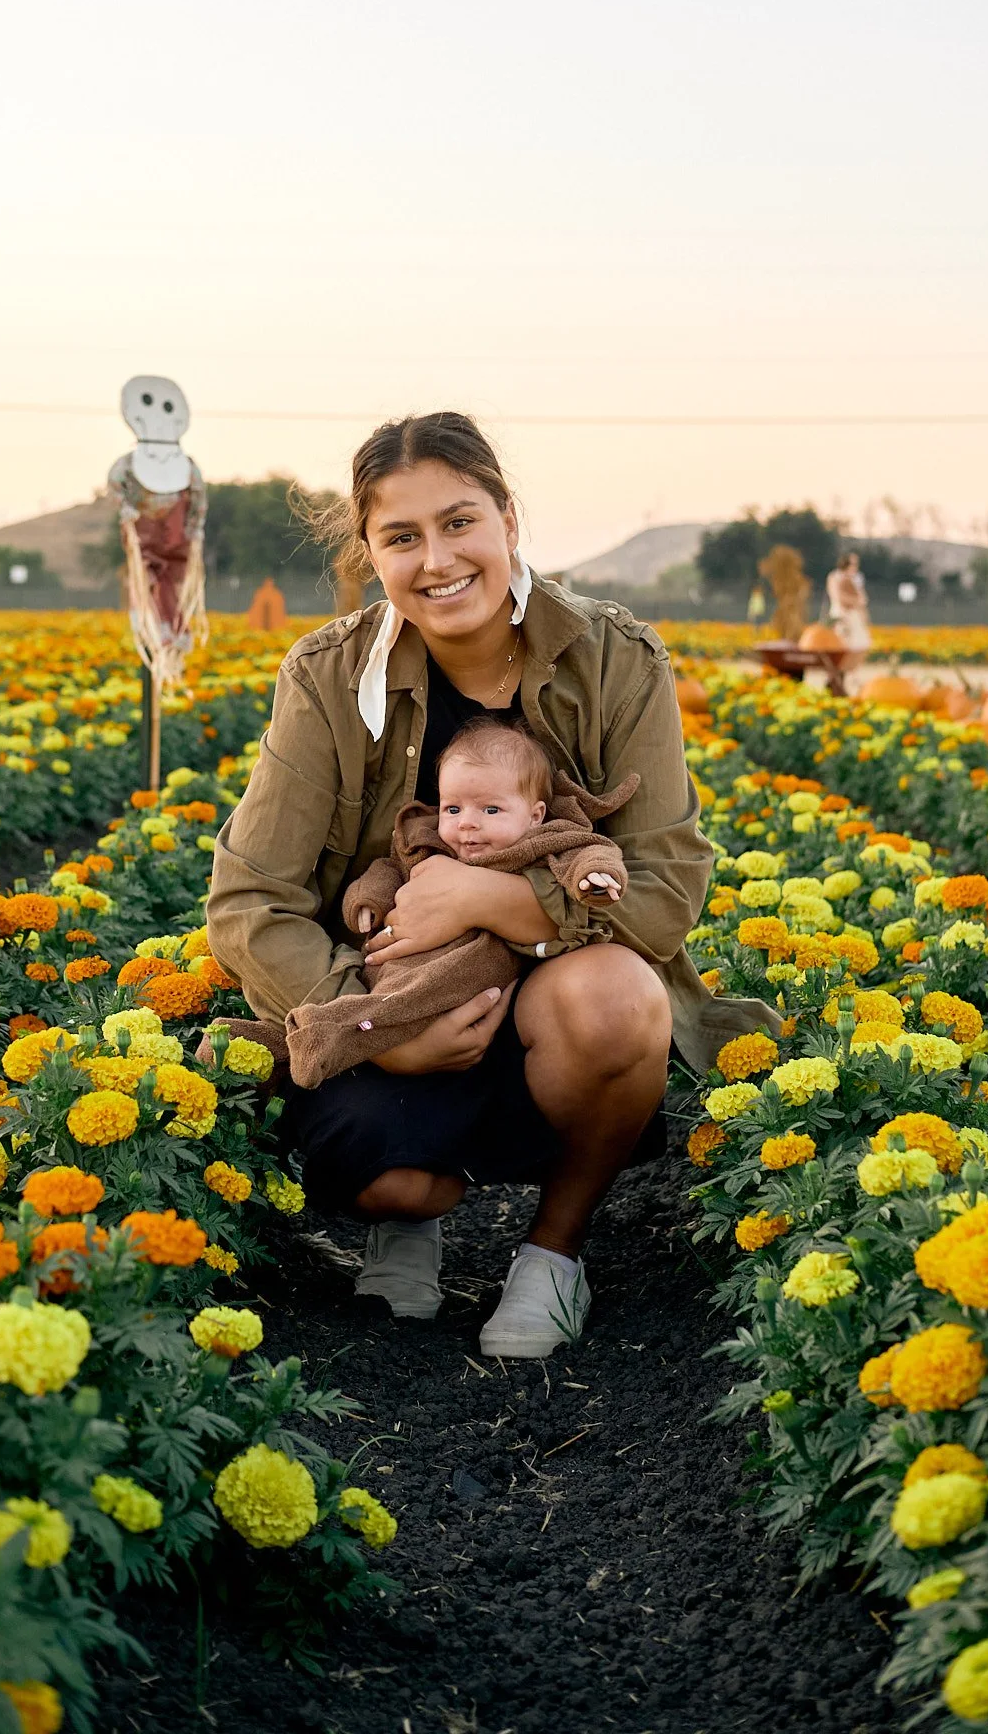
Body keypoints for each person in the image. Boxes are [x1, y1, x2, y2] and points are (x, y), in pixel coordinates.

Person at [205, 413, 778, 1359]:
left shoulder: (615, 657)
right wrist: (376, 1027)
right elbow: (247, 901)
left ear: (507, 519)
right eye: (401, 536)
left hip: (554, 1004)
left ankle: (553, 1254)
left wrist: (492, 901)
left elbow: (666, 888)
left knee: (618, 1001)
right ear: (369, 553)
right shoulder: (327, 676)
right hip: (388, 1000)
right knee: (398, 1184)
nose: (437, 560)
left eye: (459, 521)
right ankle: (409, 1219)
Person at [282, 719, 633, 1088]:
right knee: (381, 990)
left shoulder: (542, 843)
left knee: (409, 1002)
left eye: (490, 810)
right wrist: (367, 900)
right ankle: (296, 1040)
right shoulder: (429, 841)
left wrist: (595, 876)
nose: (467, 823)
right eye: (452, 809)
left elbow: (589, 852)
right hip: (398, 962)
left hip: (464, 976)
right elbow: (389, 869)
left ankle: (324, 1036)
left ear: (535, 816)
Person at [825, 550, 872, 662]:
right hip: (840, 613)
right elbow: (837, 597)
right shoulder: (835, 577)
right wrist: (855, 601)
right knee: (841, 640)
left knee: (857, 643)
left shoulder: (857, 578)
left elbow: (863, 599)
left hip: (854, 615)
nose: (855, 566)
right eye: (853, 564)